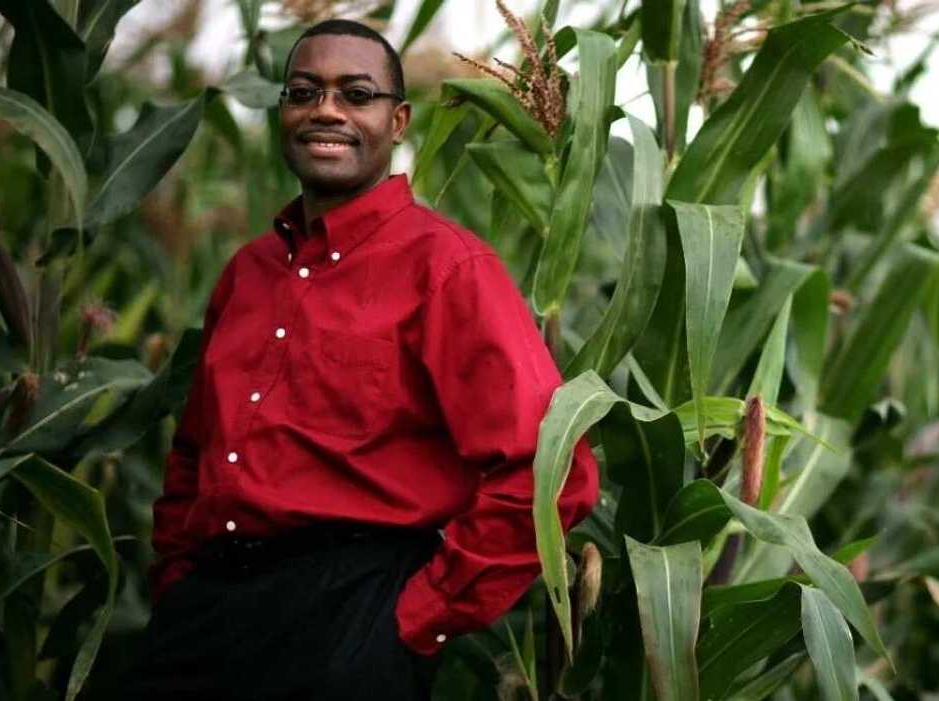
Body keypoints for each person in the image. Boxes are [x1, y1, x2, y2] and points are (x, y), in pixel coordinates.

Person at [120, 17, 598, 701]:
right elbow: (196, 448)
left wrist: (415, 617)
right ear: (282, 110)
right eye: (304, 91)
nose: (327, 111)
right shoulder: (248, 272)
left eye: (356, 93)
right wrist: (175, 580)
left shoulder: (445, 269)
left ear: (398, 119)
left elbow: (555, 469)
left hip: (352, 619)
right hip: (205, 613)